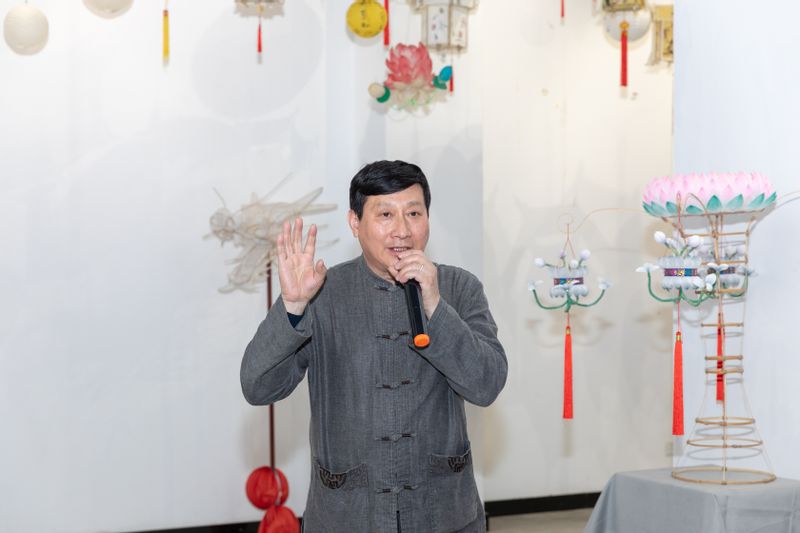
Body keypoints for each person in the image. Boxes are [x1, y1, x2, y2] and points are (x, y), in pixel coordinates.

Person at [241, 160, 507, 533]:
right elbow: (257, 387)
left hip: (442, 514)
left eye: (413, 213)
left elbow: (487, 385)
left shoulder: (459, 288)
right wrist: (293, 306)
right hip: (347, 514)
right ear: (355, 223)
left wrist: (435, 305)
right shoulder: (321, 292)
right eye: (385, 214)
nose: (402, 230)